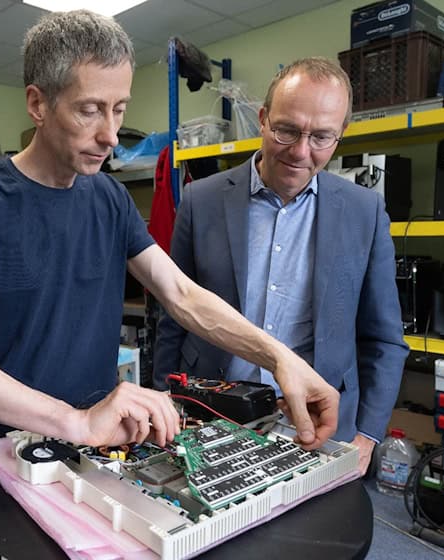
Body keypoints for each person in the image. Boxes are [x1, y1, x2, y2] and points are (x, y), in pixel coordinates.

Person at [0, 13, 341, 558]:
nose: (110, 135)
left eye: (118, 110)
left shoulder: (109, 199)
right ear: (38, 103)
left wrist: (278, 356)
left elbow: (182, 294)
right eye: (89, 109)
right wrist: (74, 419)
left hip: (93, 451)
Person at [153, 57, 409, 475]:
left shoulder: (365, 211)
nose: (301, 152)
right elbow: (172, 315)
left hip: (317, 428)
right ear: (263, 119)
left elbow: (384, 339)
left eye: (322, 137)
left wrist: (367, 436)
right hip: (211, 412)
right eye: (287, 130)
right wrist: (165, 398)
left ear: (340, 136)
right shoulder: (201, 200)